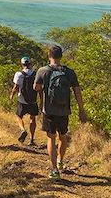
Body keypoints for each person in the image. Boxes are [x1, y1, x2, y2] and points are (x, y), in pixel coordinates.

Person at [34, 44, 87, 180]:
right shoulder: (69, 72)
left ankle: (54, 170)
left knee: (51, 137)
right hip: (64, 110)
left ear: (49, 56)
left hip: (49, 110)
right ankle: (60, 161)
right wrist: (81, 110)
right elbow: (77, 92)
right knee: (62, 136)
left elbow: (36, 87)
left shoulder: (43, 70)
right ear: (61, 56)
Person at [9, 55, 39, 146]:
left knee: (19, 116)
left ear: (22, 64)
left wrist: (11, 95)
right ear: (30, 64)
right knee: (32, 119)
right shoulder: (35, 74)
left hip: (22, 100)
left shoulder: (19, 74)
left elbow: (16, 87)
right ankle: (32, 139)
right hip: (33, 100)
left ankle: (22, 130)